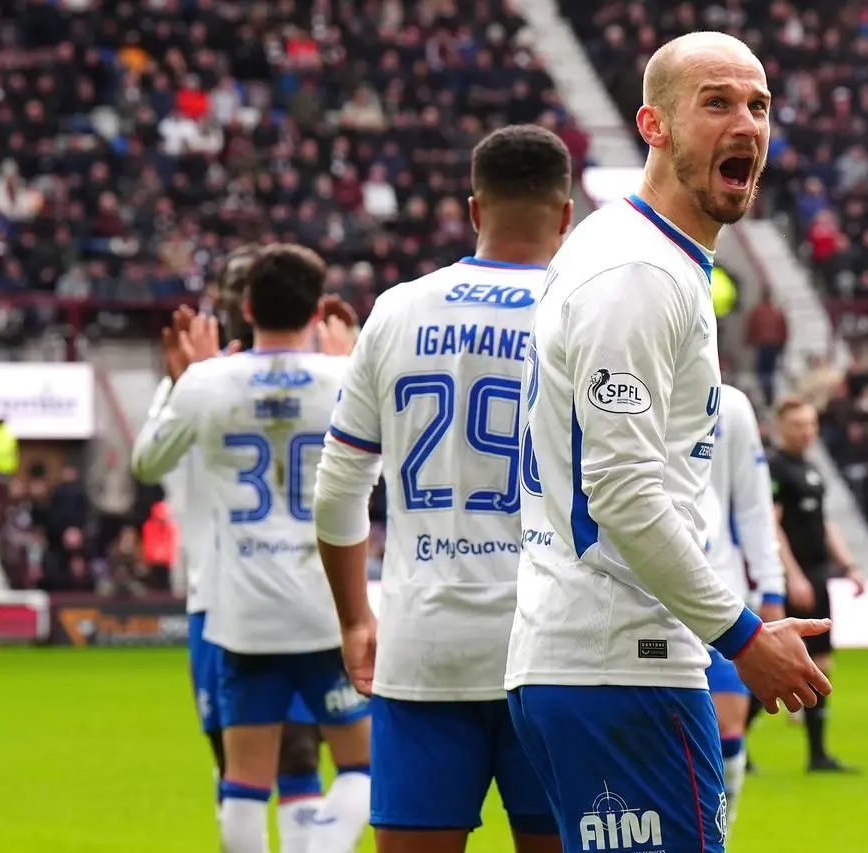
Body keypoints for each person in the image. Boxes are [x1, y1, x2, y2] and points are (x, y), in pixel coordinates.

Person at [504, 31, 832, 853]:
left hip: (591, 655)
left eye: (757, 105)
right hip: (624, 661)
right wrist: (745, 637)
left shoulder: (644, 256)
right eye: (715, 102)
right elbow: (619, 492)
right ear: (652, 125)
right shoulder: (638, 273)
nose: (746, 124)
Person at [315, 124, 573, 853]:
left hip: (423, 643)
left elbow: (337, 491)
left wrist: (353, 619)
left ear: (472, 209)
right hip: (553, 647)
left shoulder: (398, 308)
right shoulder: (585, 311)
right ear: (564, 214)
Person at [133, 244, 370, 853]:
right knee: (362, 768)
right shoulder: (345, 378)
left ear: (243, 306)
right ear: (318, 311)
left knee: (240, 783)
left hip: (237, 613)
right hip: (325, 606)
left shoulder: (205, 383)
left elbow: (145, 462)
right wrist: (353, 357)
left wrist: (180, 380)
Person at [702, 383, 806, 832]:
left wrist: (772, 589)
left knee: (729, 733)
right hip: (641, 607)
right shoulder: (618, 388)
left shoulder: (729, 405)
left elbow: (753, 505)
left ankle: (717, 838)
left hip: (719, 598)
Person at [768, 395, 867, 773]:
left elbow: (824, 525)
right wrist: (791, 574)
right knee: (780, 662)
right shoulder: (777, 469)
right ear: (780, 428)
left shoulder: (810, 470)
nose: (807, 431)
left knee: (821, 662)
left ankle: (817, 754)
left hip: (818, 574)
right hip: (796, 577)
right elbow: (772, 526)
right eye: (798, 425)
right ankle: (736, 735)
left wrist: (850, 565)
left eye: (811, 424)